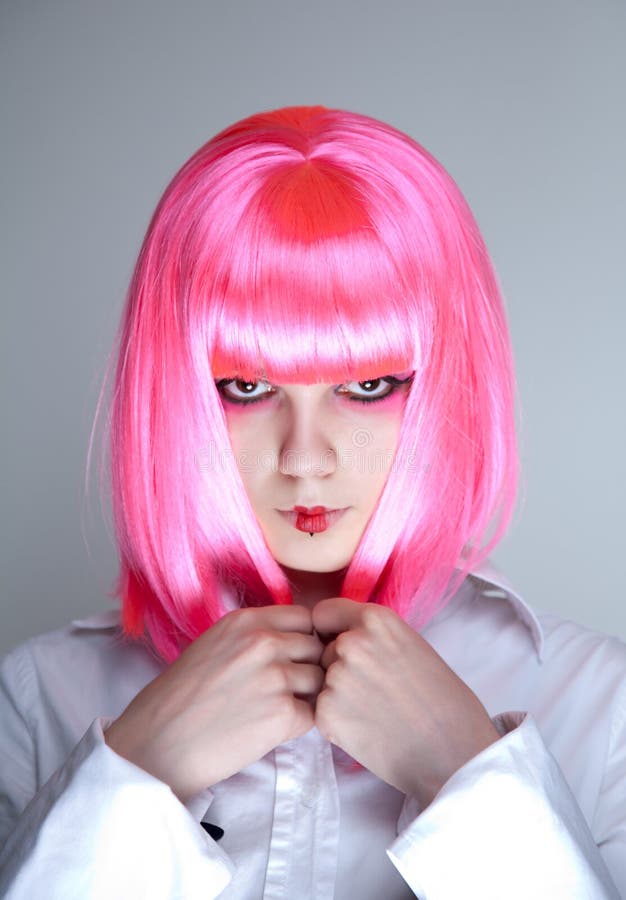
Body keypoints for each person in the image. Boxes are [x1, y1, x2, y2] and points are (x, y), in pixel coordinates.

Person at [0, 105, 624, 899]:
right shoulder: (35, 700)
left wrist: (471, 778)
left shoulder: (599, 705)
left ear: (451, 384)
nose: (304, 460)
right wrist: (135, 775)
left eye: (367, 387)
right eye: (247, 387)